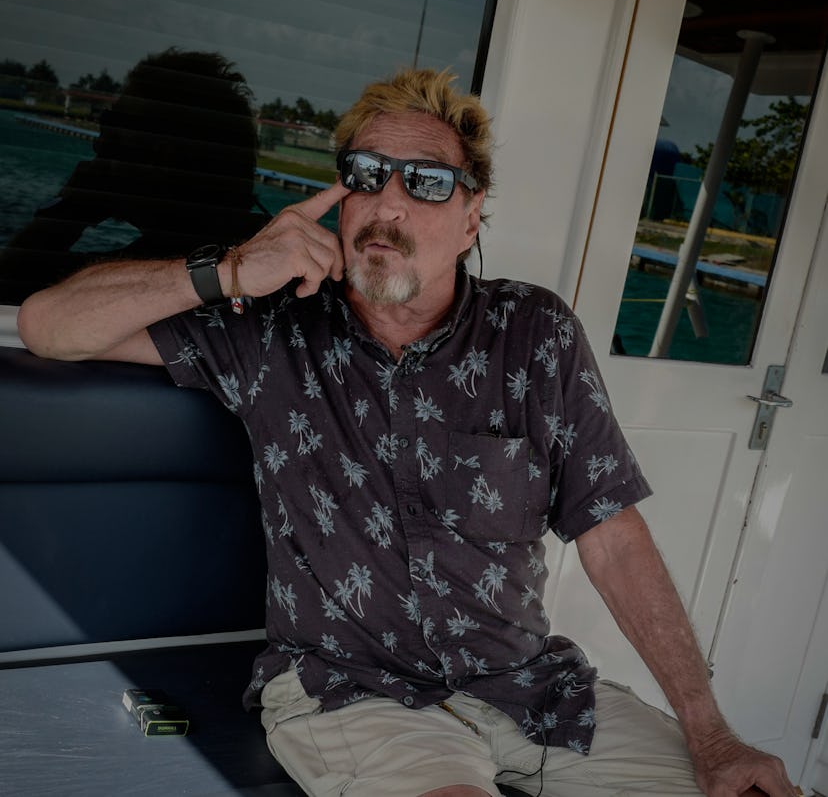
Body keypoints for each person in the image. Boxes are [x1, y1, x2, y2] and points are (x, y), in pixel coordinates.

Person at [17, 68, 796, 797]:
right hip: (350, 690)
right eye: (365, 175)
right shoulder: (272, 328)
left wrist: (711, 732)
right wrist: (228, 270)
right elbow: (49, 326)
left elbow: (613, 534)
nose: (388, 203)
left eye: (425, 181)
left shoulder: (534, 333)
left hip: (533, 689)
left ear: (470, 217)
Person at [0, 47, 268, 303]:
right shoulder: (267, 263)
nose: (98, 145)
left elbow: (13, 283)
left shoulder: (129, 286)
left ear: (160, 155)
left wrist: (68, 211)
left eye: (113, 129)